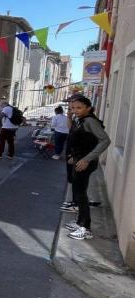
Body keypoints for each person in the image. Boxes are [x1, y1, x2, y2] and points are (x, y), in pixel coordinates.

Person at [61, 97, 110, 241]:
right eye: (72, 108)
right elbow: (77, 137)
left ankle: (85, 228)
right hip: (79, 160)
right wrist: (74, 156)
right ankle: (79, 222)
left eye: (78, 107)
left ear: (88, 108)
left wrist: (86, 159)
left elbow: (105, 140)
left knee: (81, 194)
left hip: (85, 162)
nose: (75, 110)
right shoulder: (80, 119)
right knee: (78, 191)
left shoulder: (90, 121)